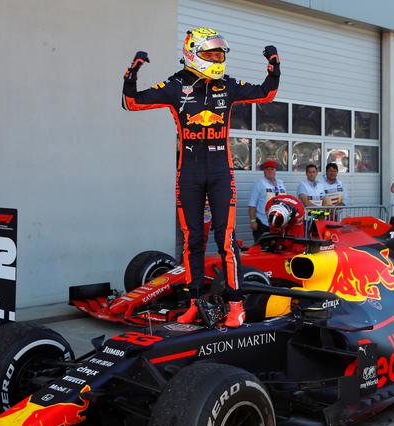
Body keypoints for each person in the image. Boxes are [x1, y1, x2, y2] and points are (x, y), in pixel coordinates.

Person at [122, 27, 280, 327]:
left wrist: (274, 67)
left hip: (222, 173)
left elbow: (266, 93)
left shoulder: (228, 85)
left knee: (226, 240)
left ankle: (235, 305)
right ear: (192, 53)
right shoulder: (175, 85)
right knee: (192, 241)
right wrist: (132, 74)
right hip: (189, 174)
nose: (217, 58)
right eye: (211, 53)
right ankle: (195, 303)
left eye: (220, 52)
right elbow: (131, 102)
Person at [249, 160, 287, 243]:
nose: (270, 171)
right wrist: (253, 221)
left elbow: (285, 200)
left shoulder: (281, 183)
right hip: (263, 223)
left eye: (272, 169)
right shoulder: (259, 184)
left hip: (279, 224)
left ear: (275, 170)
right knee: (262, 249)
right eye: (267, 169)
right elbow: (252, 204)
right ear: (264, 171)